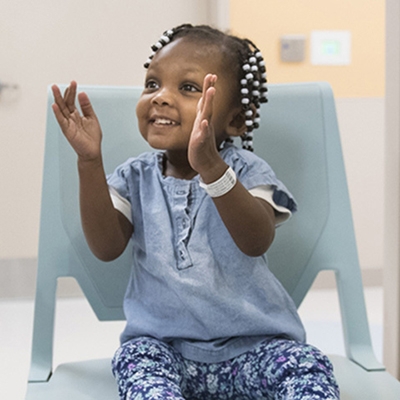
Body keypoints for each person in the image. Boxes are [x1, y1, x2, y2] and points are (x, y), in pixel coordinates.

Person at [51, 24, 339, 400]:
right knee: (134, 360)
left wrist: (212, 169)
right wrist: (89, 162)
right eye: (152, 84)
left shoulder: (248, 171)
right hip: (163, 349)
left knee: (307, 367)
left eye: (188, 88)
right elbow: (106, 247)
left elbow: (255, 240)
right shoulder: (134, 177)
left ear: (235, 120)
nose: (161, 98)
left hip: (253, 349)